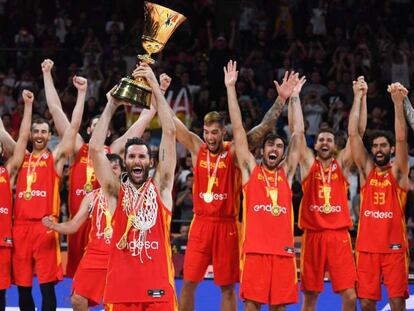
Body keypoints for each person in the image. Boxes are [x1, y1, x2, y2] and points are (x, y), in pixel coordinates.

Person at [176, 68, 299, 311]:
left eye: (215, 132)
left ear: (223, 132)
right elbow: (172, 123)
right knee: (188, 282)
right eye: (206, 132)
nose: (210, 137)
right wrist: (156, 91)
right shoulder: (195, 146)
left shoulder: (235, 152)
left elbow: (264, 126)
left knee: (228, 285)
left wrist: (282, 99)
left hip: (228, 225)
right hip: (200, 223)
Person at [41, 59, 170, 277]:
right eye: (92, 125)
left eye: (99, 125)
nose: (95, 128)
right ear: (90, 129)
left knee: (114, 276)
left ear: (107, 131)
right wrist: (47, 73)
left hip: (110, 225)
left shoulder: (116, 149)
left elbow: (145, 118)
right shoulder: (79, 147)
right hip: (81, 221)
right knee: (79, 284)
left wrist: (161, 89)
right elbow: (55, 111)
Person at [89, 62, 177, 310]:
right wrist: (112, 104)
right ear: (124, 161)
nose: (137, 161)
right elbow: (95, 149)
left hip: (157, 289)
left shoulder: (161, 187)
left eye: (142, 156)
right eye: (132, 156)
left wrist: (157, 89)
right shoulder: (115, 192)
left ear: (150, 160)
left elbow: (170, 133)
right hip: (121, 290)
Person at [225, 60, 304, 310]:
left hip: (283, 252)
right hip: (255, 251)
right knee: (251, 306)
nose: (275, 148)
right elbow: (238, 130)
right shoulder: (251, 170)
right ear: (262, 150)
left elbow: (298, 135)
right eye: (271, 145)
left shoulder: (288, 173)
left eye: (279, 146)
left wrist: (294, 98)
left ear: (283, 153)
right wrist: (230, 88)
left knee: (279, 308)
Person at [12, 76, 86, 311]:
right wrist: (28, 106)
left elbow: (73, 129)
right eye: (37, 131)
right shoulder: (20, 159)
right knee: (23, 286)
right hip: (20, 227)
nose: (40, 135)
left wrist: (82, 94)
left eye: (44, 131)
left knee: (46, 287)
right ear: (32, 134)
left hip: (45, 227)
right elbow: (16, 137)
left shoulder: (55, 159)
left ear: (49, 135)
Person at [297, 76, 368, 311]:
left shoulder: (342, 166)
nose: (325, 142)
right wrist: (295, 97)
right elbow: (297, 134)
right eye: (321, 140)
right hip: (313, 235)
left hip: (339, 236)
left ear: (334, 145)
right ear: (315, 145)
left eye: (329, 139)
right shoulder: (308, 165)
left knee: (349, 295)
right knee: (310, 295)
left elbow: (356, 133)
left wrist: (359, 97)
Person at [349, 82, 409, 310]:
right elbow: (353, 134)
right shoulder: (367, 171)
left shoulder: (399, 173)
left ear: (391, 149)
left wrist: (397, 105)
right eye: (375, 146)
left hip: (394, 248)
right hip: (366, 248)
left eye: (384, 145)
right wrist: (357, 97)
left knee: (396, 301)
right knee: (365, 302)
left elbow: (402, 139)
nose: (379, 149)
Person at [42, 154, 123, 311]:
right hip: (95, 254)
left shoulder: (128, 195)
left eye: (115, 167)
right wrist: (55, 226)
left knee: (115, 303)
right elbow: (74, 225)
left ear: (122, 170)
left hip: (120, 254)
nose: (111, 171)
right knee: (77, 298)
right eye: (107, 167)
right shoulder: (91, 196)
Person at [0, 90, 33, 311]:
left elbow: (22, 141)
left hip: (2, 242)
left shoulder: (7, 172)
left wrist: (28, 106)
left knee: (0, 293)